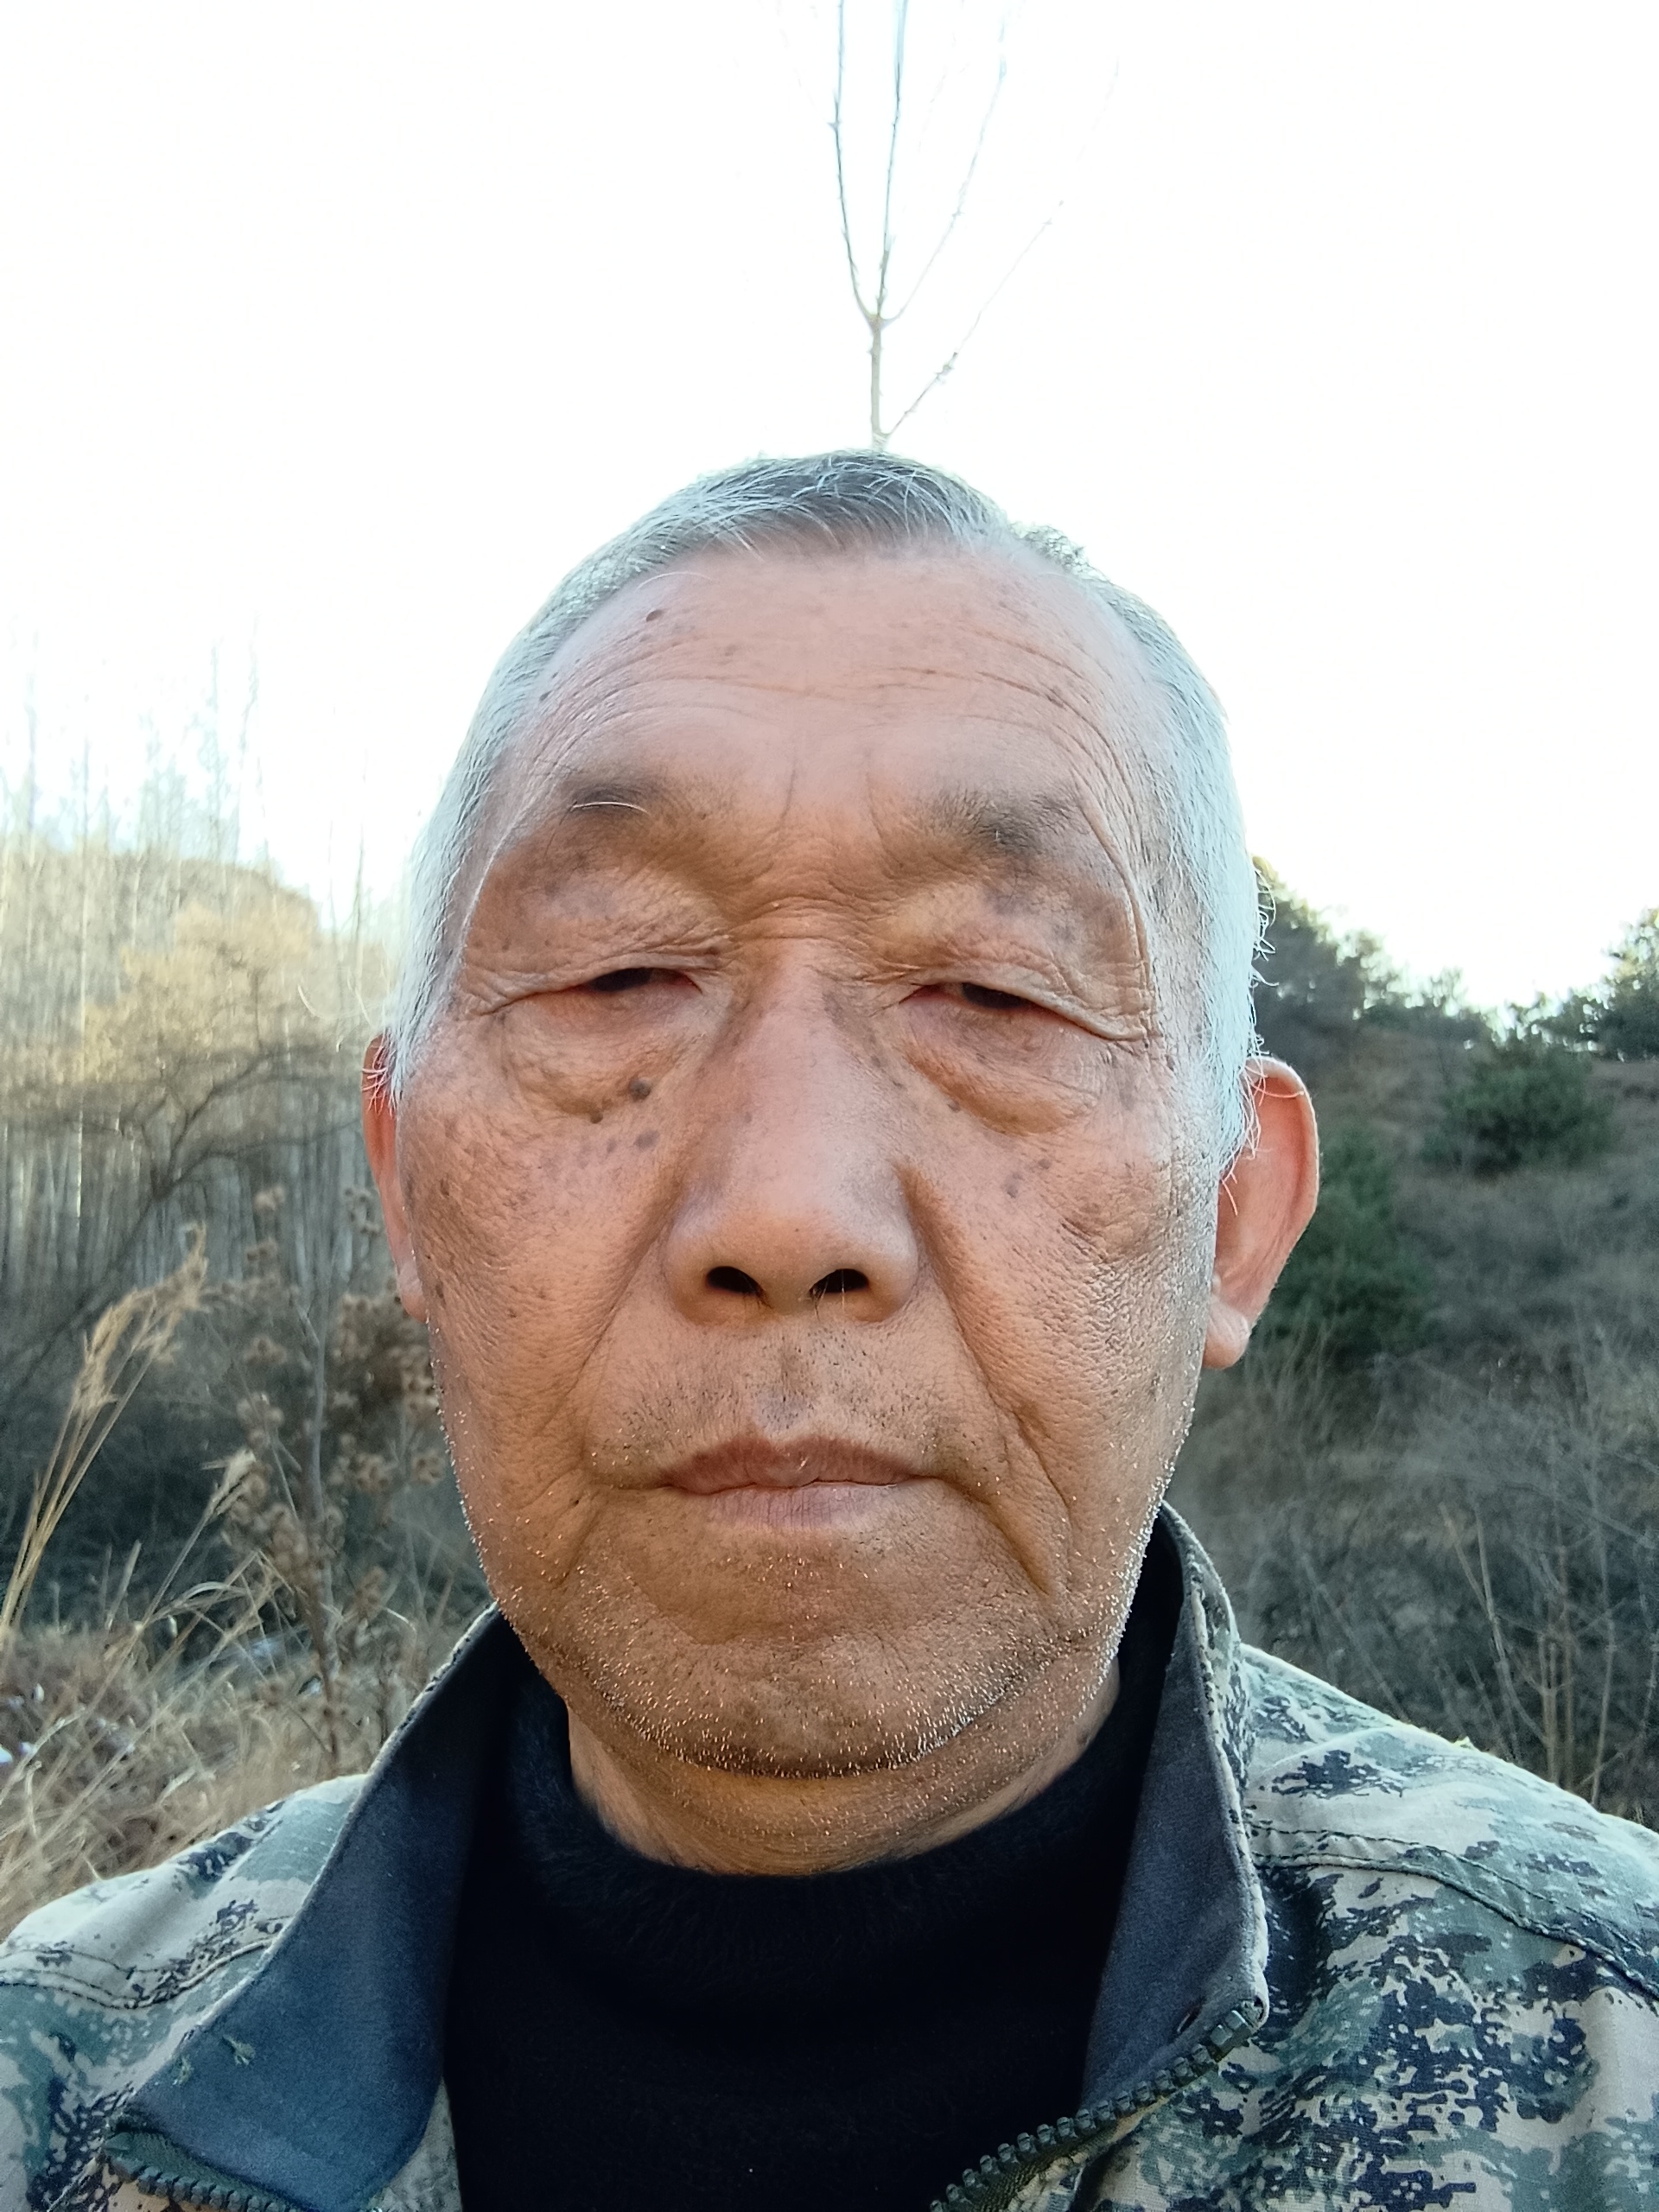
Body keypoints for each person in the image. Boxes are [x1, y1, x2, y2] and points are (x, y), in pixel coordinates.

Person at [3, 453, 1655, 2212]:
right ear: (406, 1183)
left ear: (1239, 1213)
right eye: (617, 973)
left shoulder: (1609, 2064)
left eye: (999, 990)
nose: (787, 1212)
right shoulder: (58, 2090)